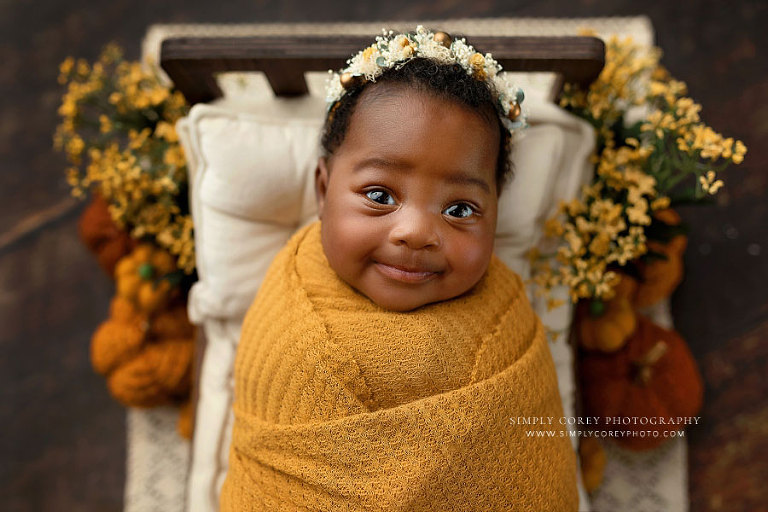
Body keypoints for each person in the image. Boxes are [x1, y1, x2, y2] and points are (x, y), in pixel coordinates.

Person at [220, 26, 578, 511]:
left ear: (496, 214)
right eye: (380, 196)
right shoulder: (296, 321)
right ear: (323, 191)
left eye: (459, 210)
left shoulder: (508, 324)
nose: (414, 231)